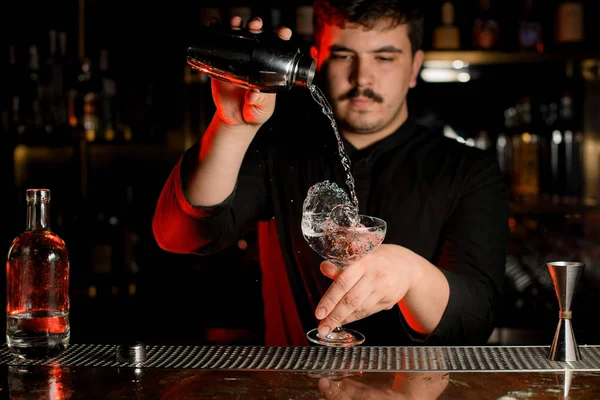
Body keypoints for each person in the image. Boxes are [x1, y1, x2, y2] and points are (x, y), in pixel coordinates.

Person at [152, 0, 509, 346]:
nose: (362, 77)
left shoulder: (469, 171)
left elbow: (476, 319)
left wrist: (411, 275)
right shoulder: (277, 150)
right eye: (342, 55)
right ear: (318, 60)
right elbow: (180, 235)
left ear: (415, 67)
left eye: (384, 57)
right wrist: (231, 126)